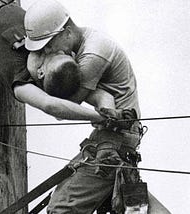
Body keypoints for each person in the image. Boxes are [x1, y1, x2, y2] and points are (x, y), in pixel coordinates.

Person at [24, 0, 171, 213]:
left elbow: (62, 107)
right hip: (114, 138)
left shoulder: (93, 54)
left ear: (65, 32)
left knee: (62, 208)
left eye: (48, 45)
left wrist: (30, 72)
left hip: (113, 140)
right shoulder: (82, 45)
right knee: (130, 204)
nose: (47, 52)